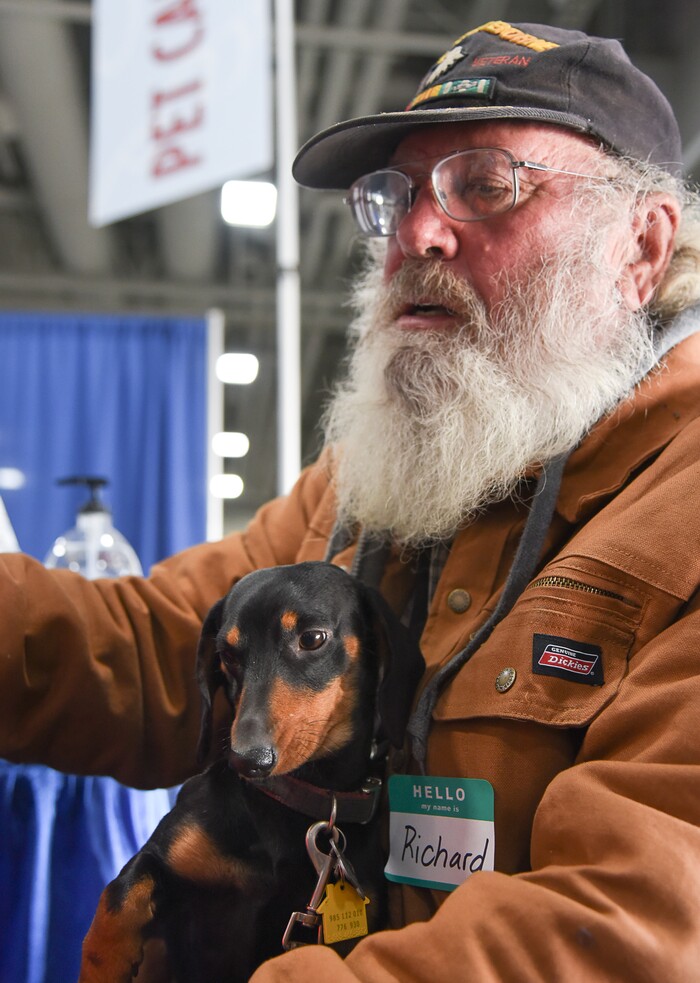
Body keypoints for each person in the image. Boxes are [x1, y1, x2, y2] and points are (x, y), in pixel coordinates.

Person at [3, 17, 700, 981]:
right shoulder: (380, 478)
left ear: (641, 246)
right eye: (396, 194)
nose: (418, 229)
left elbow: (637, 922)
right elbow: (167, 648)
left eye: (485, 183)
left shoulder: (683, 501)